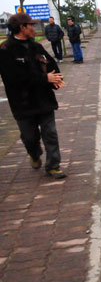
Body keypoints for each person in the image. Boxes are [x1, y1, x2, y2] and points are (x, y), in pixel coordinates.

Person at [0, 13, 67, 178]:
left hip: (44, 99)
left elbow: (51, 64)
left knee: (50, 133)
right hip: (22, 103)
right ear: (22, 27)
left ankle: (53, 166)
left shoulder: (36, 47)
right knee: (30, 137)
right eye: (31, 25)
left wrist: (55, 79)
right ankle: (34, 153)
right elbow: (13, 79)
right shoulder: (5, 50)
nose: (35, 28)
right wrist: (45, 78)